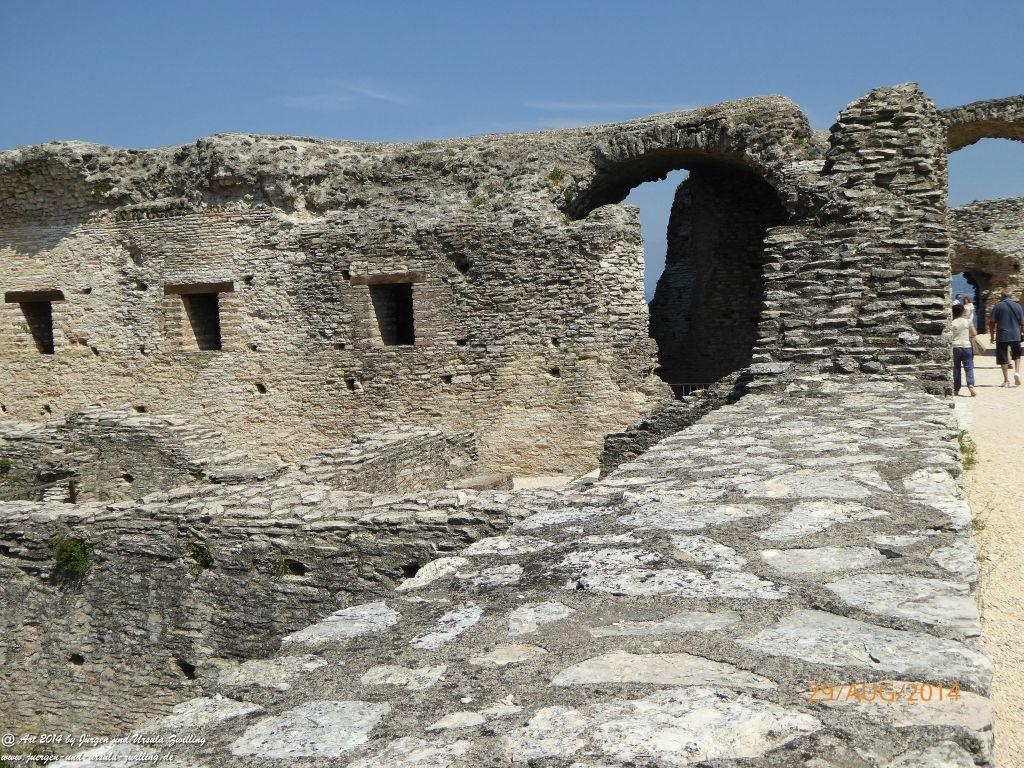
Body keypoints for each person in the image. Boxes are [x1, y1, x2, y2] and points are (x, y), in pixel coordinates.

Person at [988, 289, 1024, 387]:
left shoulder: (998, 306)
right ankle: (1017, 372)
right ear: (1011, 296)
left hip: (1002, 335)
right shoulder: (1018, 306)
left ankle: (1006, 380)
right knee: (1017, 355)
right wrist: (1021, 332)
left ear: (1002, 296)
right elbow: (1022, 322)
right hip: (1016, 334)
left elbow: (991, 323)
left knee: (1003, 357)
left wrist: (992, 335)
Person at [951, 304, 977, 396]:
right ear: (962, 312)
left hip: (956, 346)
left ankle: (956, 389)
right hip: (967, 346)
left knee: (956, 368)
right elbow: (974, 333)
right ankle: (970, 384)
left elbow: (950, 336)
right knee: (969, 367)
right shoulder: (968, 321)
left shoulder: (951, 323)